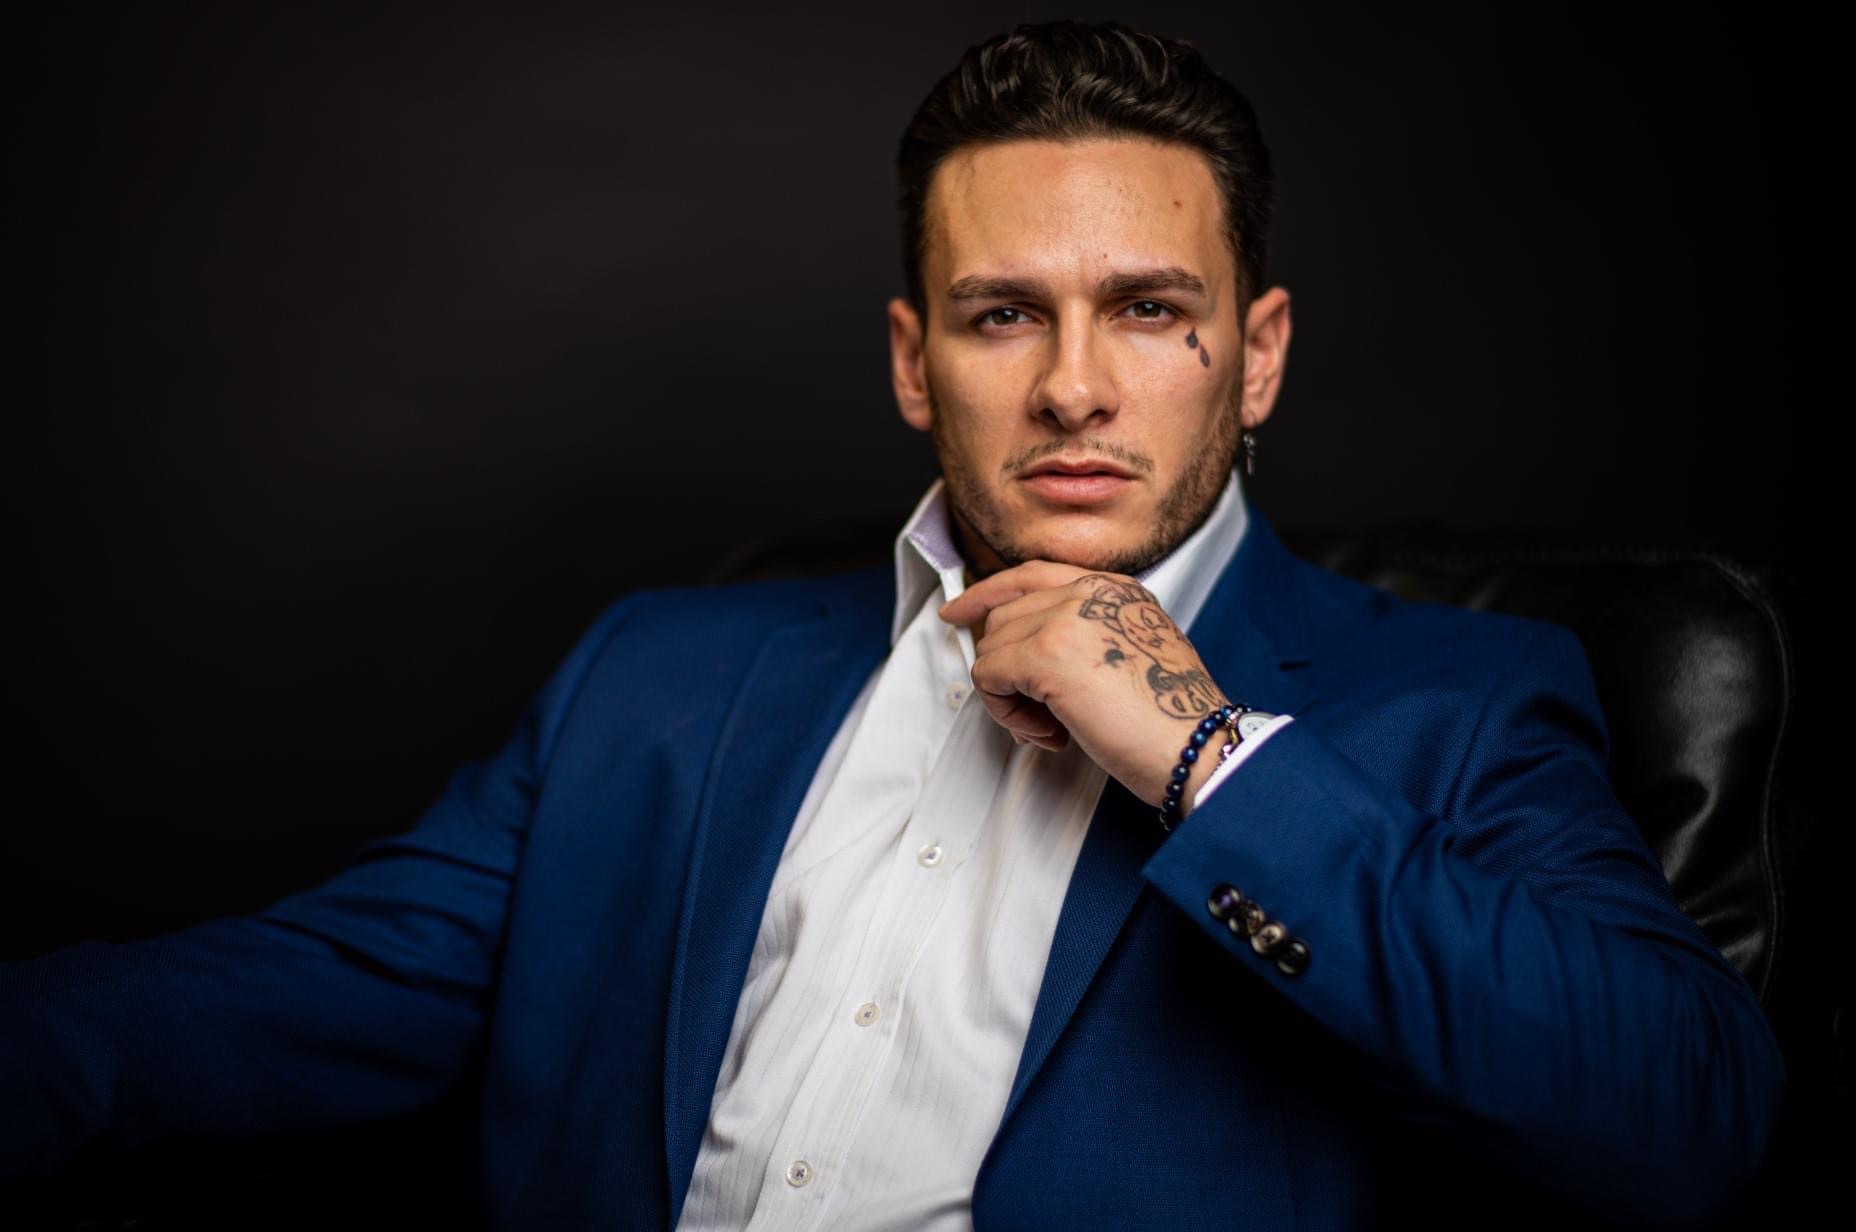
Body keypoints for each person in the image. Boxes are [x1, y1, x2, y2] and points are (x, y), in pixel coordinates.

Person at [2, 17, 1785, 1230]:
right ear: (913, 363)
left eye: (1147, 309)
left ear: (1254, 358)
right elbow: (319, 988)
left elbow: (1689, 1120)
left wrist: (1203, 755)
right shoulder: (658, 670)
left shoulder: (1463, 700)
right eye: (1003, 315)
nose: (1074, 386)